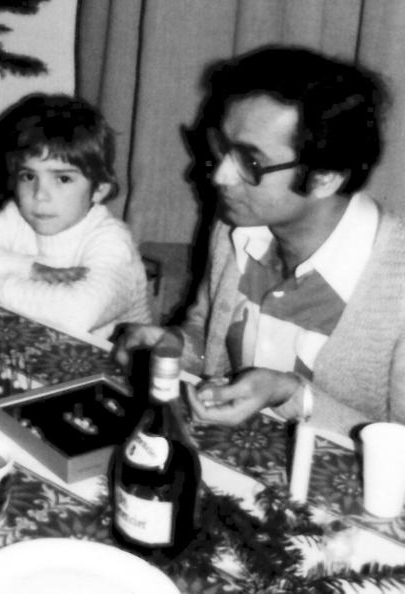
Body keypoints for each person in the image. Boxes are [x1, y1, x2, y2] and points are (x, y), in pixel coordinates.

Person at [113, 44, 405, 436]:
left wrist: (292, 395)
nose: (220, 177)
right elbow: (207, 338)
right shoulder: (236, 228)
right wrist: (176, 345)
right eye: (221, 149)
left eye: (250, 162)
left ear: (325, 176)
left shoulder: (395, 287)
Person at [0, 94, 152, 339]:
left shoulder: (112, 240)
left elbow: (75, 315)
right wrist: (28, 268)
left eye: (63, 179)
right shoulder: (18, 218)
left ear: (99, 189)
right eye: (28, 176)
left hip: (118, 366)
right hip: (36, 341)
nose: (40, 196)